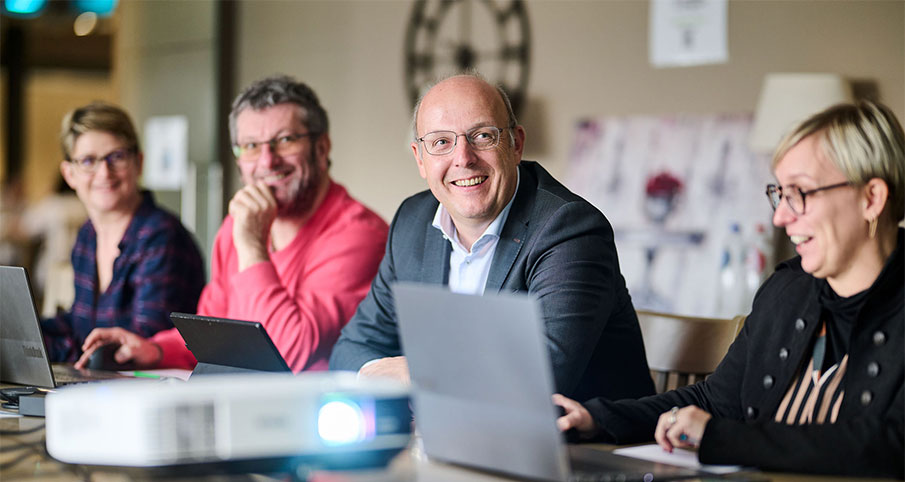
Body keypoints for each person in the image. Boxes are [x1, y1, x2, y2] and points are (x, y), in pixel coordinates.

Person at [554, 101, 904, 478]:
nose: (780, 216)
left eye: (800, 193)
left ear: (871, 198)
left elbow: (890, 444)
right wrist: (598, 418)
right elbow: (714, 401)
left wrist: (723, 438)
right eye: (779, 194)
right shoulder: (787, 292)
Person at [329, 74, 654, 402]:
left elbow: (543, 377)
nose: (464, 158)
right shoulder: (412, 223)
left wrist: (420, 372)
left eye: (482, 136)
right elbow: (351, 350)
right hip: (453, 438)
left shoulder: (569, 229)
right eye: (441, 142)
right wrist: (385, 374)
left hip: (588, 446)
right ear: (419, 158)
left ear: (516, 144)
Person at [75, 75, 389, 373]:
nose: (267, 161)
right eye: (251, 146)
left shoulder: (358, 234)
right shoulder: (236, 227)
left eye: (286, 140)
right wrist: (154, 349)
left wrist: (252, 246)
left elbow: (285, 355)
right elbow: (213, 334)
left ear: (322, 148)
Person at [42, 102, 205, 362]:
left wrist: (36, 354)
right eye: (88, 161)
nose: (104, 173)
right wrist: (22, 336)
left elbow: (130, 349)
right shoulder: (87, 236)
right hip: (100, 390)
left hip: (150, 392)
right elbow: (81, 323)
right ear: (69, 174)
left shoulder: (162, 237)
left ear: (138, 163)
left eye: (116, 157)